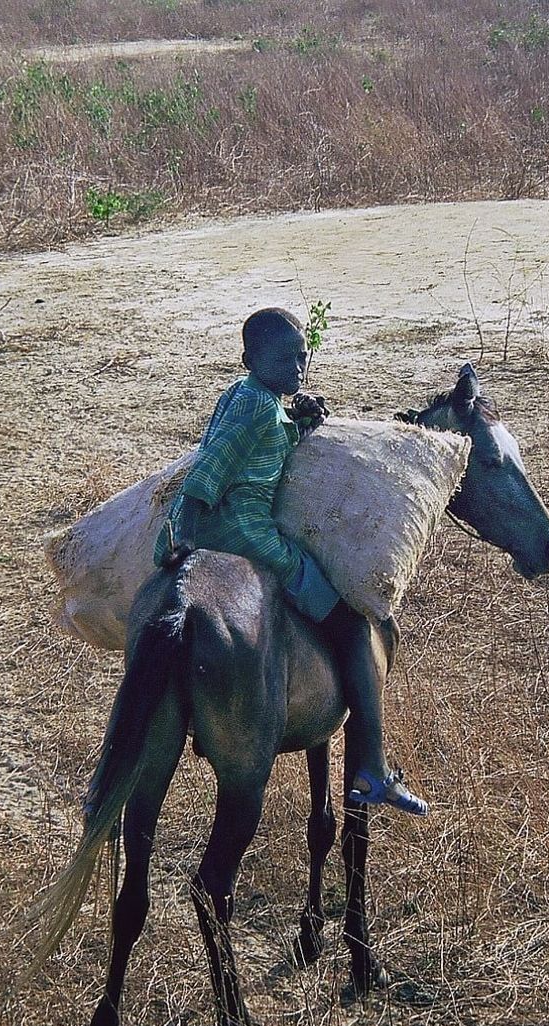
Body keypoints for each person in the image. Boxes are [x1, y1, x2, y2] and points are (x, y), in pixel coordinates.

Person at [154, 307, 428, 816]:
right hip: (245, 534)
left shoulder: (249, 396)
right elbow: (211, 468)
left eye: (303, 356)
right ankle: (371, 765)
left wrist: (297, 422)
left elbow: (256, 447)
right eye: (285, 358)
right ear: (249, 359)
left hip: (226, 526)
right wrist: (185, 533)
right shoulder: (257, 407)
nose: (298, 366)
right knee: (348, 620)